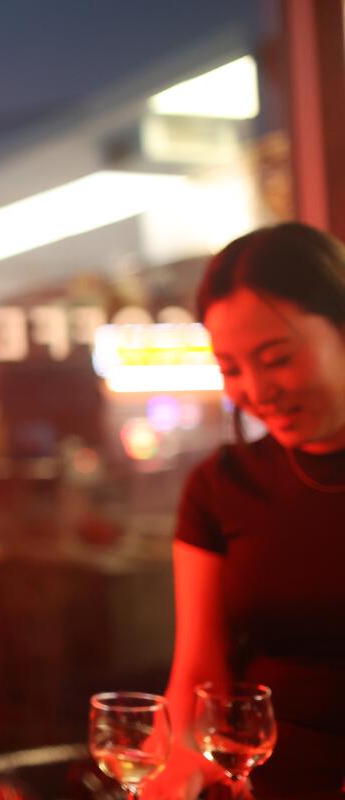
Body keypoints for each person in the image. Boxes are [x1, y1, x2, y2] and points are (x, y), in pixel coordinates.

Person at [147, 222, 345, 799]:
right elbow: (197, 674)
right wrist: (174, 771)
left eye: (276, 358)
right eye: (231, 369)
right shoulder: (222, 485)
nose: (255, 391)